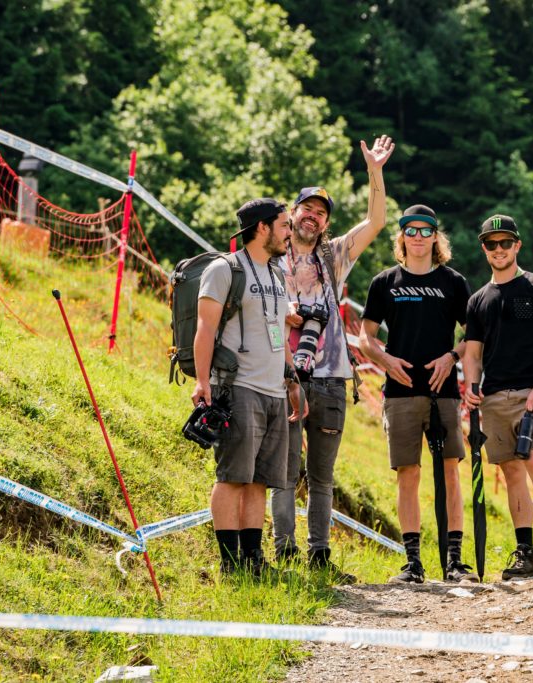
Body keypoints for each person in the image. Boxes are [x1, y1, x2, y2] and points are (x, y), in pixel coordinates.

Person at [272, 135, 395, 583]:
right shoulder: (269, 252)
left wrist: (374, 171)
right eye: (308, 209)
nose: (314, 216)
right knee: (284, 471)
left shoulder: (334, 255)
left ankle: (319, 556)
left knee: (322, 475)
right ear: (293, 212)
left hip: (329, 379)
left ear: (326, 224)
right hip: (281, 376)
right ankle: (283, 554)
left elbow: (376, 221)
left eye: (322, 213)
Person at [358, 204, 476, 584]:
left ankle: (454, 562)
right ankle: (412, 563)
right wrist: (385, 360)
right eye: (412, 230)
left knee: (450, 472)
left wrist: (452, 356)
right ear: (402, 236)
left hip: (444, 392)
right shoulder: (385, 282)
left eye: (427, 231)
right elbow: (365, 335)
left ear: (436, 237)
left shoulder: (453, 282)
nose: (419, 237)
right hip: (400, 392)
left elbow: (474, 336)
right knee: (407, 474)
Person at [192, 198, 301, 577]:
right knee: (232, 477)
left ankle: (254, 562)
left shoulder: (275, 273)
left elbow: (277, 333)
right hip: (237, 387)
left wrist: (291, 380)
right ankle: (229, 564)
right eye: (285, 225)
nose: (291, 232)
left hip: (273, 391)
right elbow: (205, 328)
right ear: (262, 228)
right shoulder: (225, 269)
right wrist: (202, 382)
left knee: (259, 481)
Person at [463, 214, 533, 580]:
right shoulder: (478, 299)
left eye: (505, 243)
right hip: (494, 398)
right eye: (492, 244)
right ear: (484, 248)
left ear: (517, 246)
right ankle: (525, 551)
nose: (499, 249)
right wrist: (471, 386)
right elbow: (473, 353)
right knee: (512, 471)